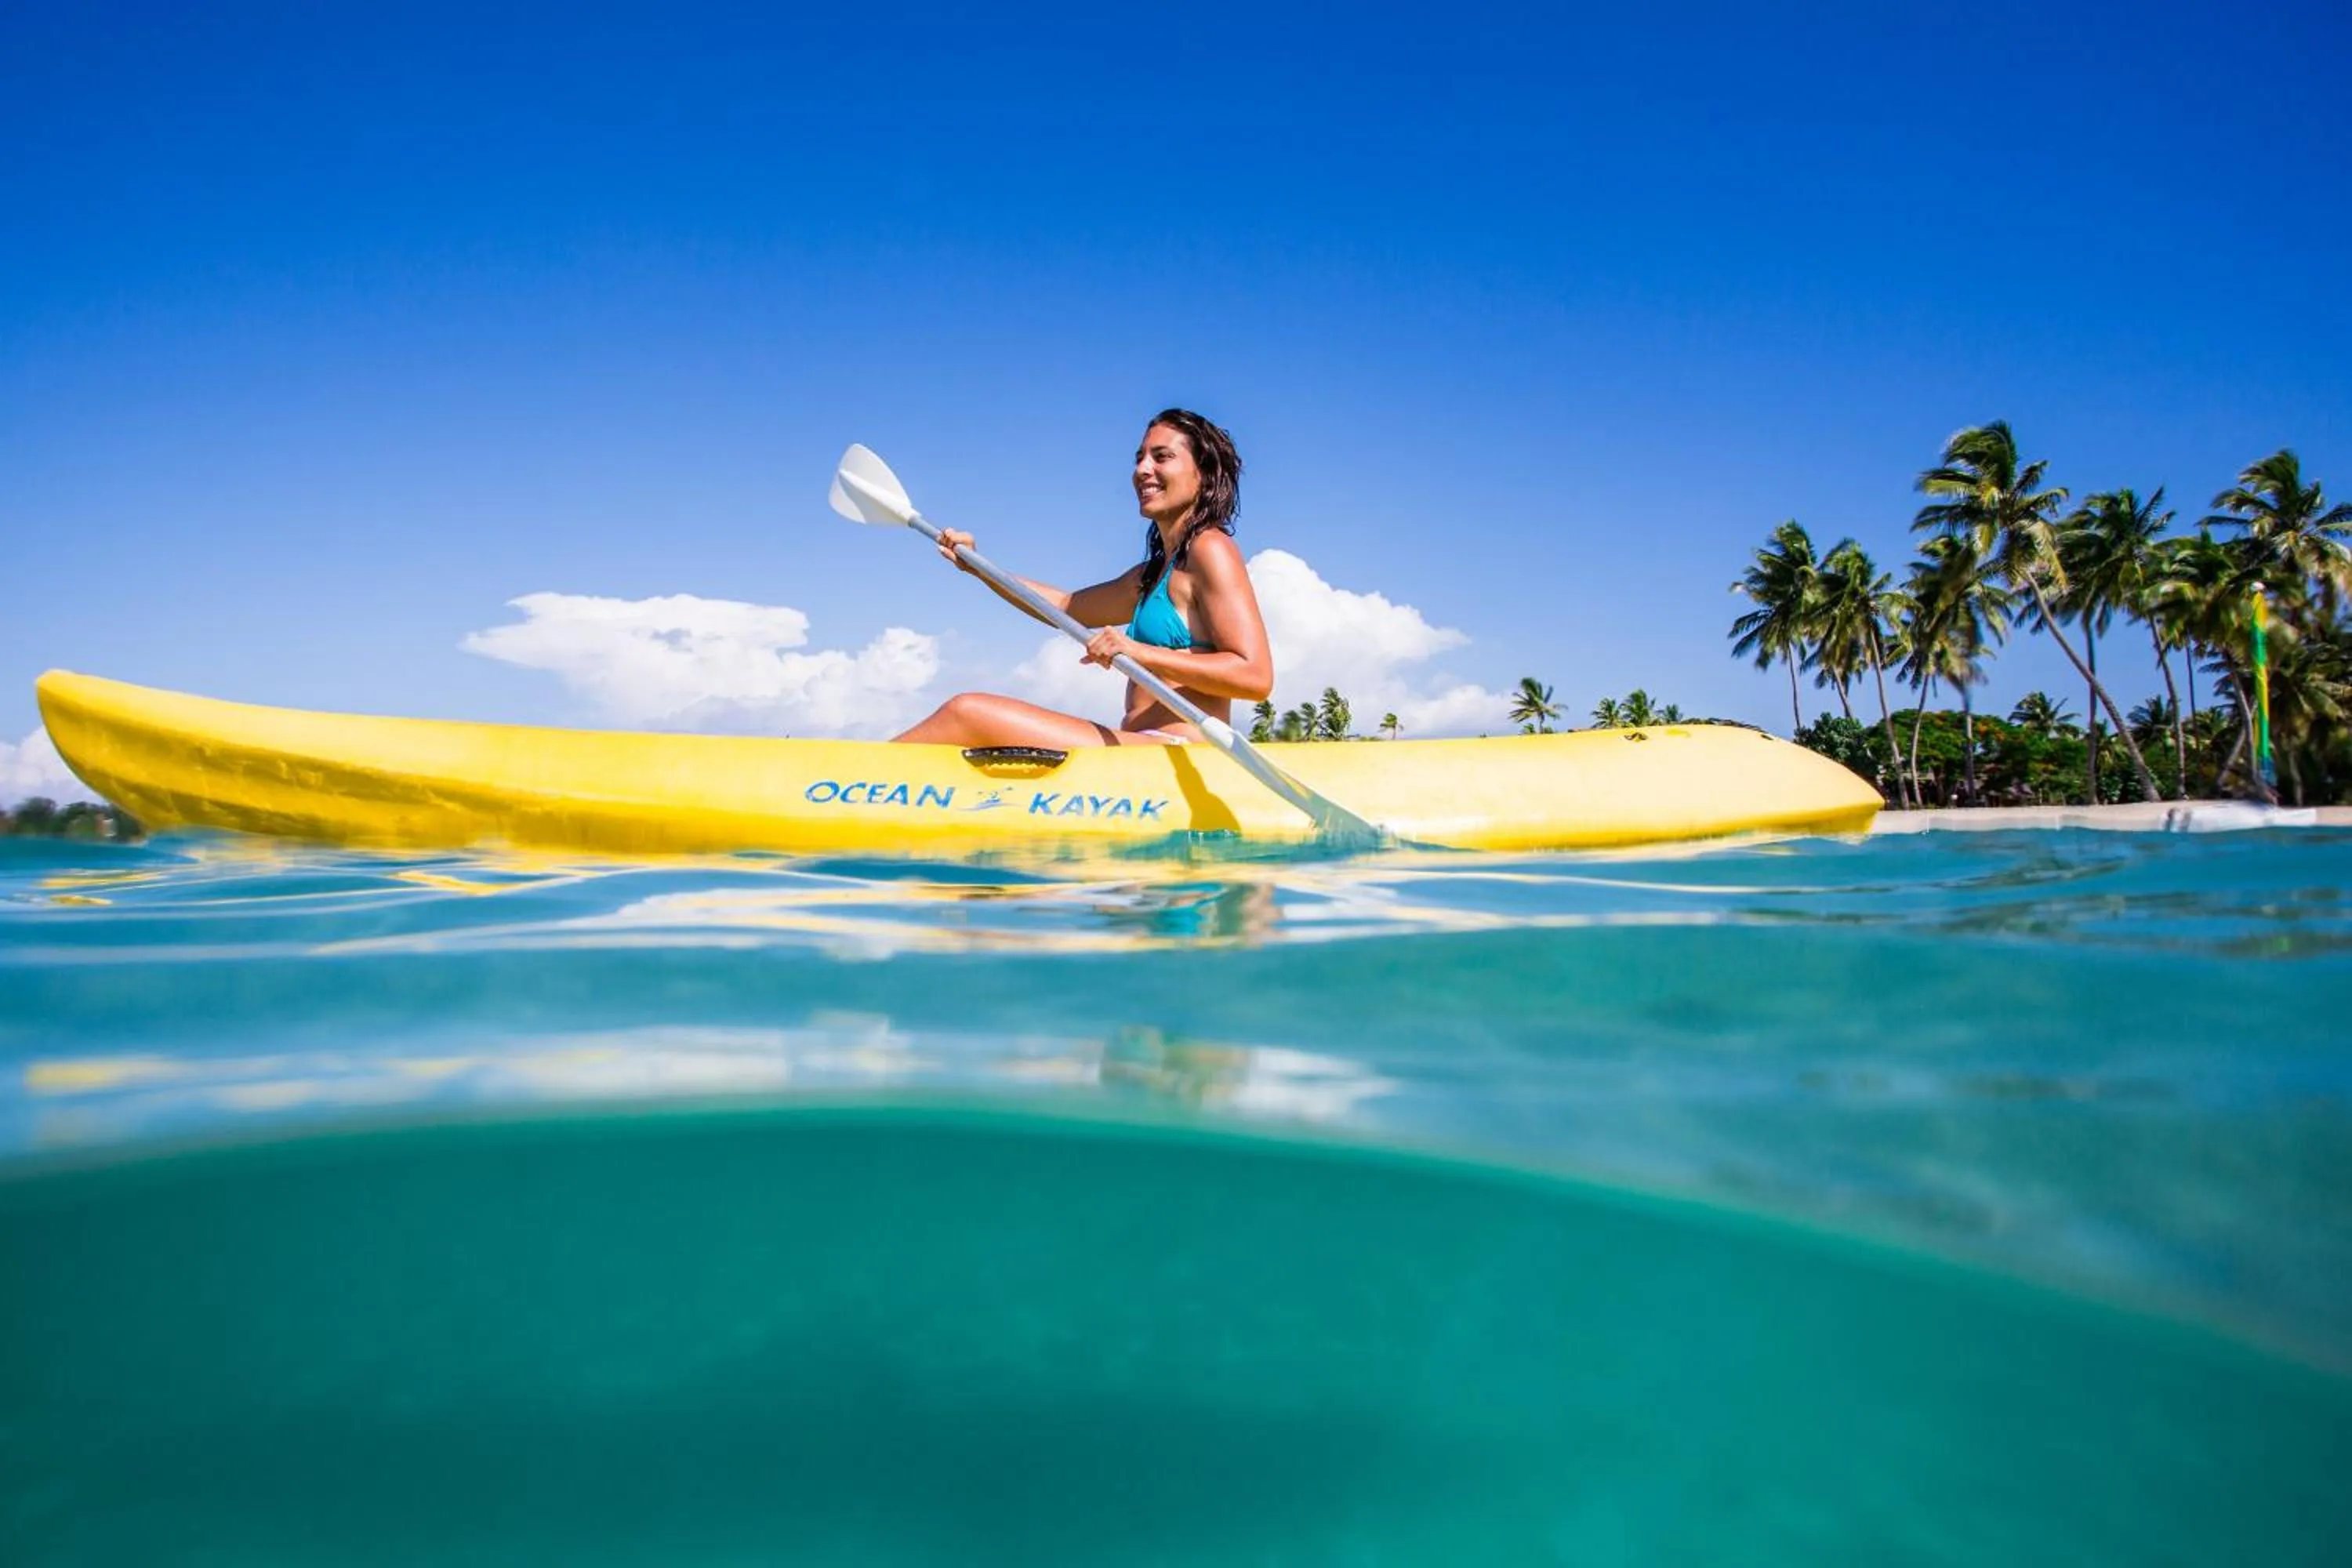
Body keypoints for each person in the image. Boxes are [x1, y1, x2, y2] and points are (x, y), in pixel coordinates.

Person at [891, 409, 1273, 747]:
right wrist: (979, 567)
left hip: (1178, 753)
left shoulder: (1210, 549)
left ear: (1203, 475)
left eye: (1163, 457)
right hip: (1140, 746)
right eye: (1140, 457)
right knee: (969, 716)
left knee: (968, 712)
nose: (1142, 469)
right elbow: (1064, 606)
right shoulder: (1152, 573)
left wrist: (1138, 651)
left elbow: (1254, 676)